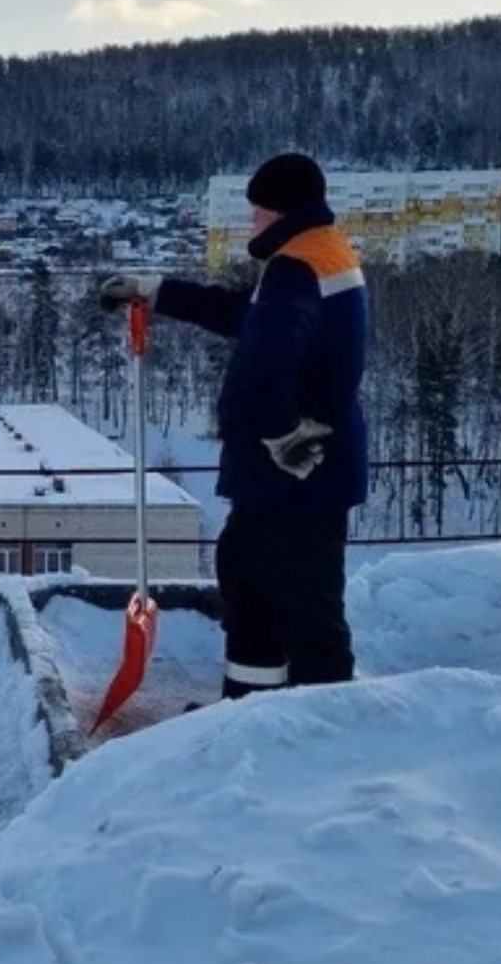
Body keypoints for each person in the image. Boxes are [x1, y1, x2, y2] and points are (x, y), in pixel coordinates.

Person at [97, 151, 368, 707]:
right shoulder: (322, 254)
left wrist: (281, 435)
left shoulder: (295, 268)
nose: (252, 222)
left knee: (303, 608)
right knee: (254, 593)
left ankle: (329, 734)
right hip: (307, 474)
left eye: (257, 211)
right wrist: (160, 290)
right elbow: (247, 314)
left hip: (293, 476)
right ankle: (247, 714)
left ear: (278, 211)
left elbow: (263, 365)